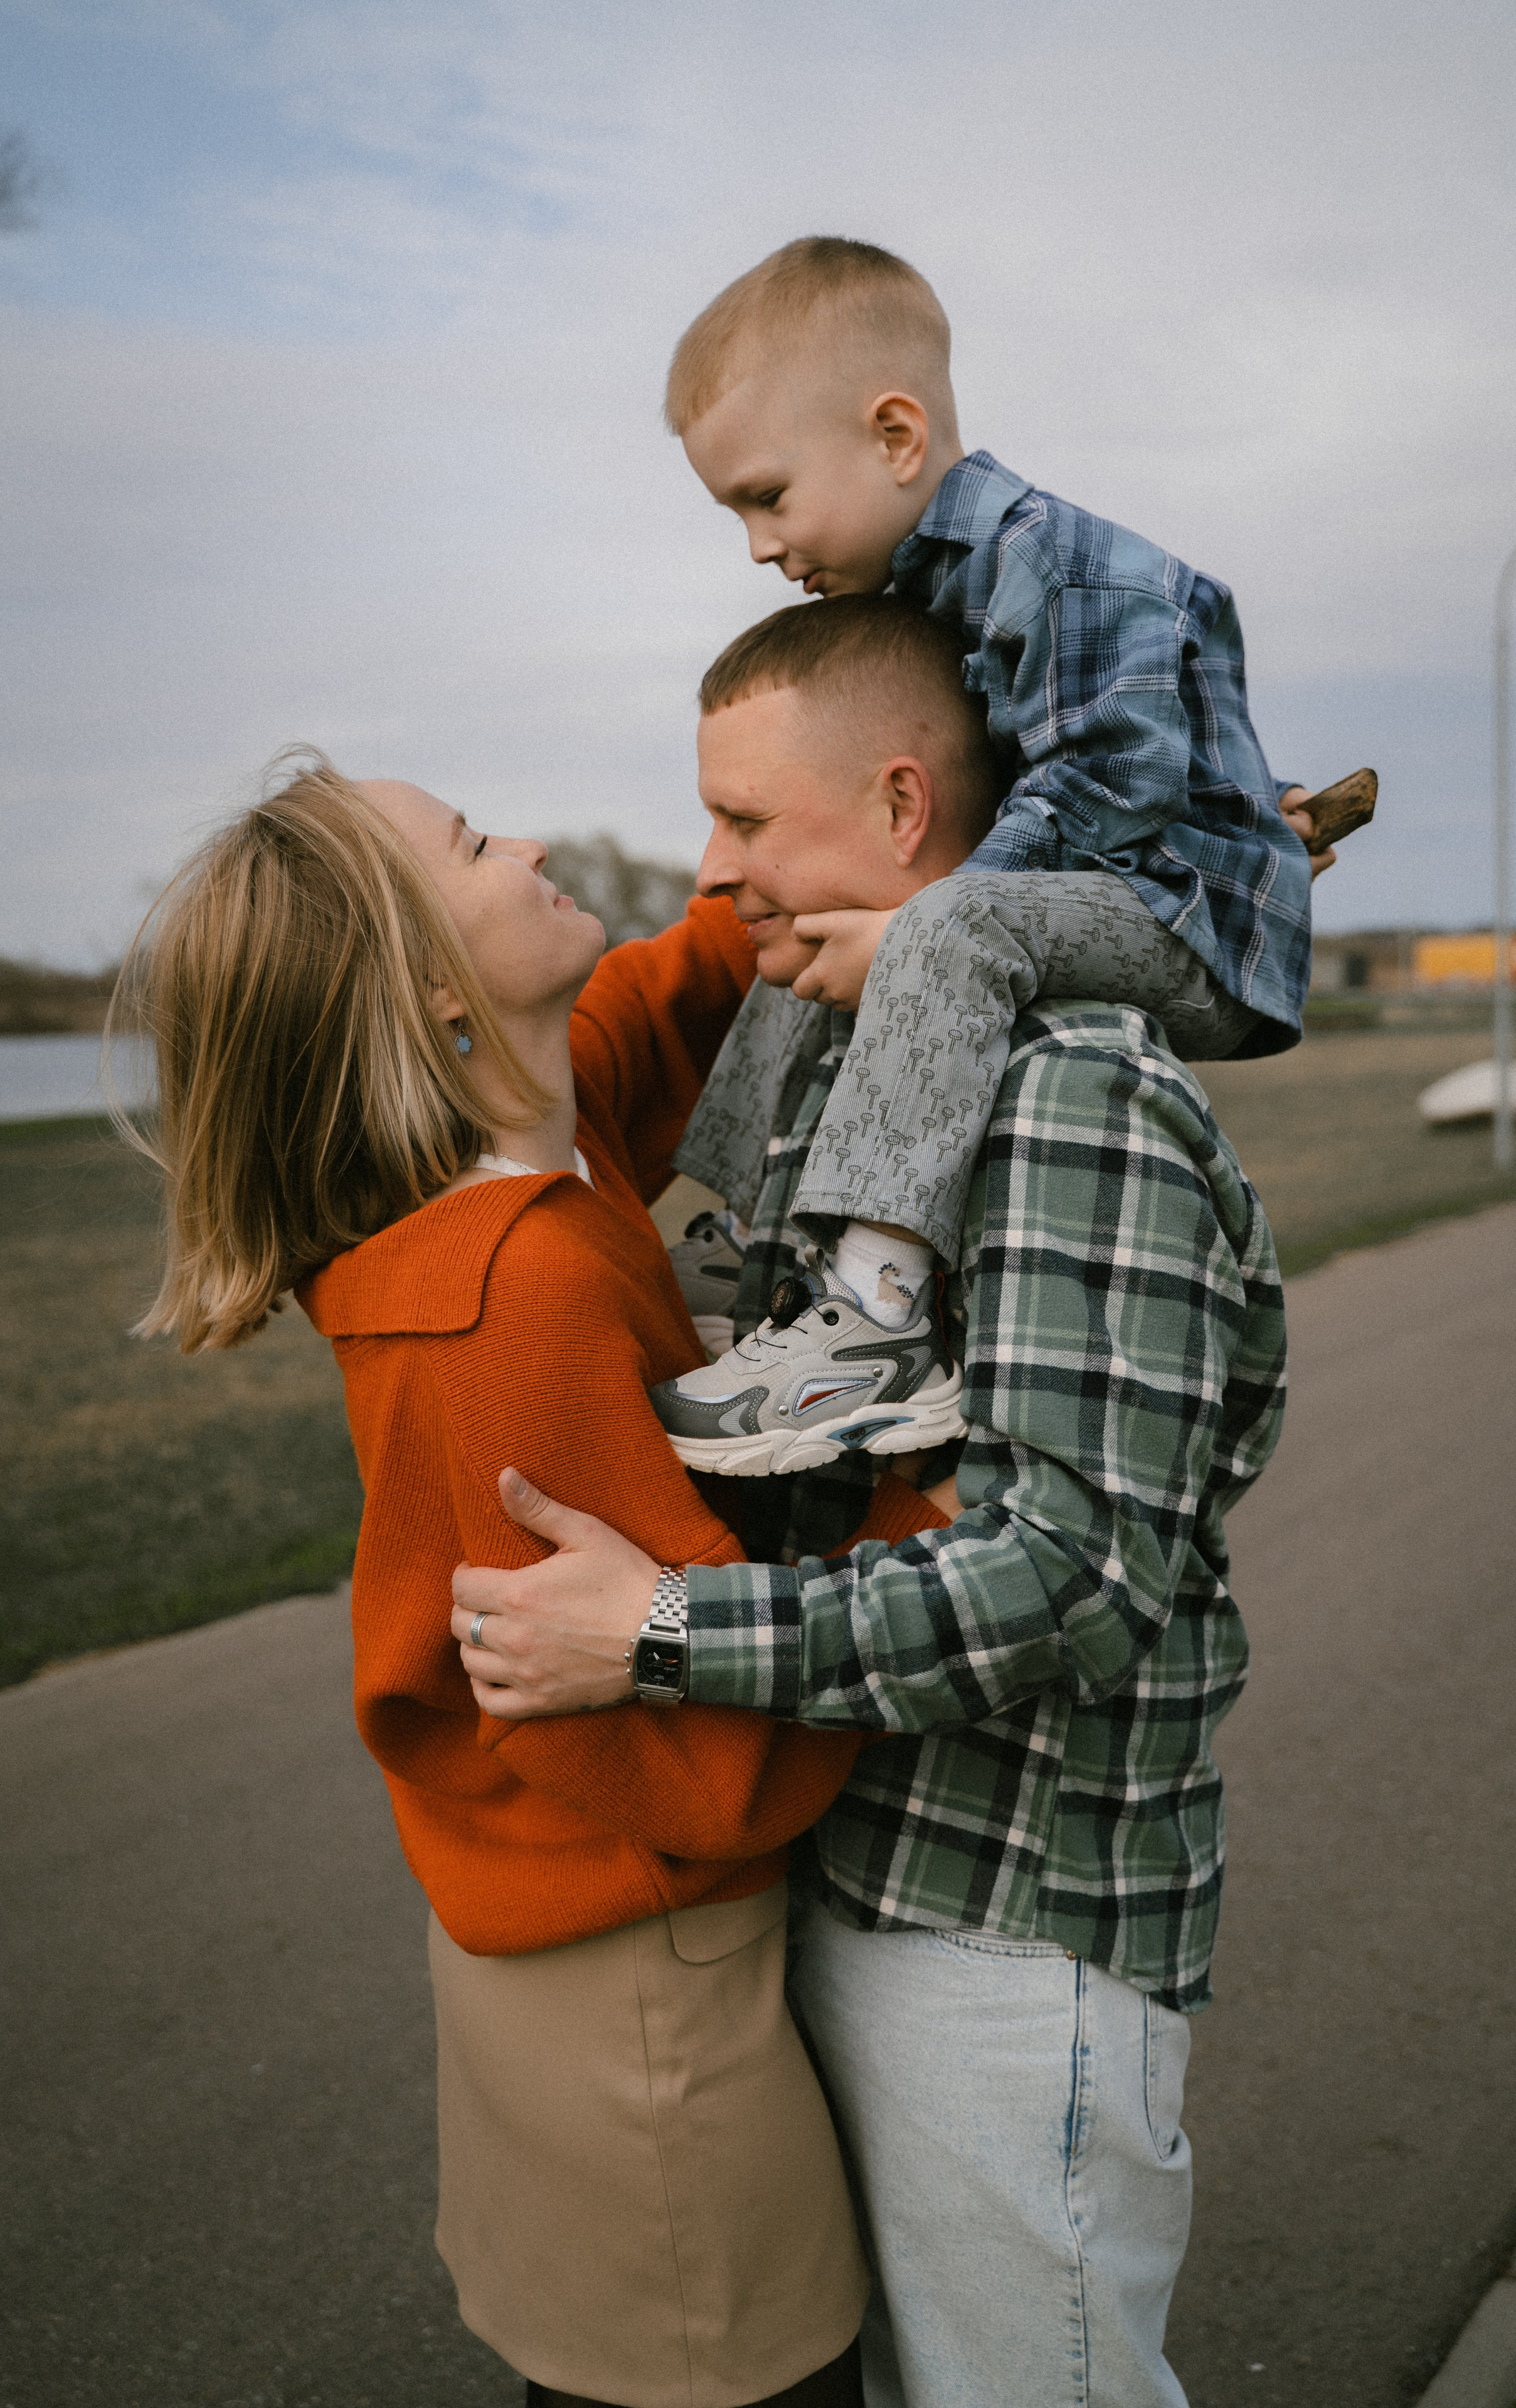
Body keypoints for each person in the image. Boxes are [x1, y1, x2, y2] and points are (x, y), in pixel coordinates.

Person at [450, 598, 1290, 2408]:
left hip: (1009, 1933)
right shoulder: (843, 1058)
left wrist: (662, 1632)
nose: (711, 864)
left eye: (747, 822)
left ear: (906, 806)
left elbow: (1072, 1575)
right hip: (855, 1875)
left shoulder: (1073, 1089)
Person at [112, 750, 950, 2408]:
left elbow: (662, 986)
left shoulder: (527, 1146)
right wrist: (923, 1517)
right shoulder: (508, 1299)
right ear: (429, 987)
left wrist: (818, 847)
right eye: (480, 843)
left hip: (574, 1951)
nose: (542, 839)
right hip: (646, 1999)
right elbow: (692, 1753)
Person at [650, 234, 1325, 1473]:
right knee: (801, 925)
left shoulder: (1053, 564)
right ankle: (734, 1236)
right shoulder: (940, 590)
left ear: (895, 438)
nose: (754, 543)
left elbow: (1109, 772)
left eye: (766, 494)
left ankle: (877, 1313)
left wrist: (920, 915)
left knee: (937, 926)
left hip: (1188, 925)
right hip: (1111, 886)